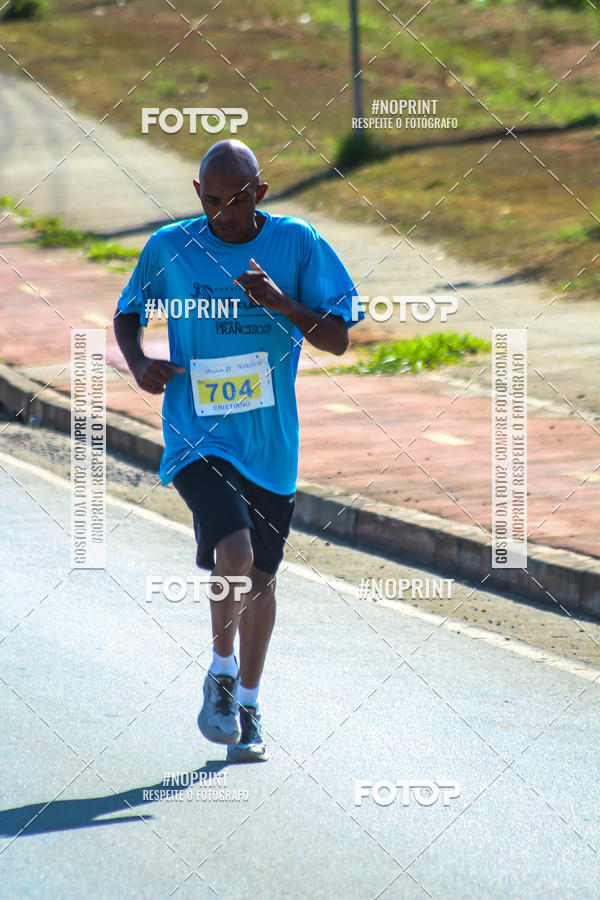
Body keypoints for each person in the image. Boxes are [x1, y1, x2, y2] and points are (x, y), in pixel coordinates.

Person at [114, 139, 363, 762]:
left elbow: (337, 339)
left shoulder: (297, 243)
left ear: (262, 191)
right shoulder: (170, 246)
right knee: (234, 550)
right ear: (198, 195)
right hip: (198, 433)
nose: (226, 212)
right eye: (214, 200)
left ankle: (248, 703)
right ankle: (220, 673)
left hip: (271, 443)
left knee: (260, 580)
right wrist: (141, 362)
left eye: (239, 197)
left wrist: (281, 302)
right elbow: (128, 313)